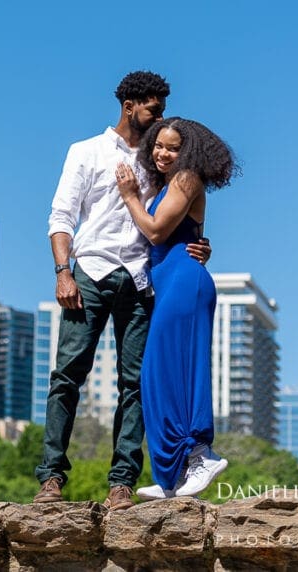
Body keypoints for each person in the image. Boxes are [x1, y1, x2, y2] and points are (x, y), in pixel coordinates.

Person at [34, 71, 211, 511]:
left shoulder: (159, 160)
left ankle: (122, 484)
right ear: (130, 105)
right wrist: (62, 271)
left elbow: (175, 215)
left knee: (134, 384)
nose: (160, 117)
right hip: (88, 275)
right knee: (66, 376)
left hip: (140, 280)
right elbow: (61, 216)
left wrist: (198, 244)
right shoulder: (86, 151)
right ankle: (51, 477)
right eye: (154, 108)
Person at [114, 117, 239, 500]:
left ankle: (201, 454)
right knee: (157, 376)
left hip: (184, 284)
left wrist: (131, 195)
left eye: (172, 147)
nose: (163, 153)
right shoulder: (170, 183)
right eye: (158, 146)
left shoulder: (187, 178)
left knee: (177, 372)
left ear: (188, 151)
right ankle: (176, 474)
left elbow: (155, 231)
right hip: (169, 284)